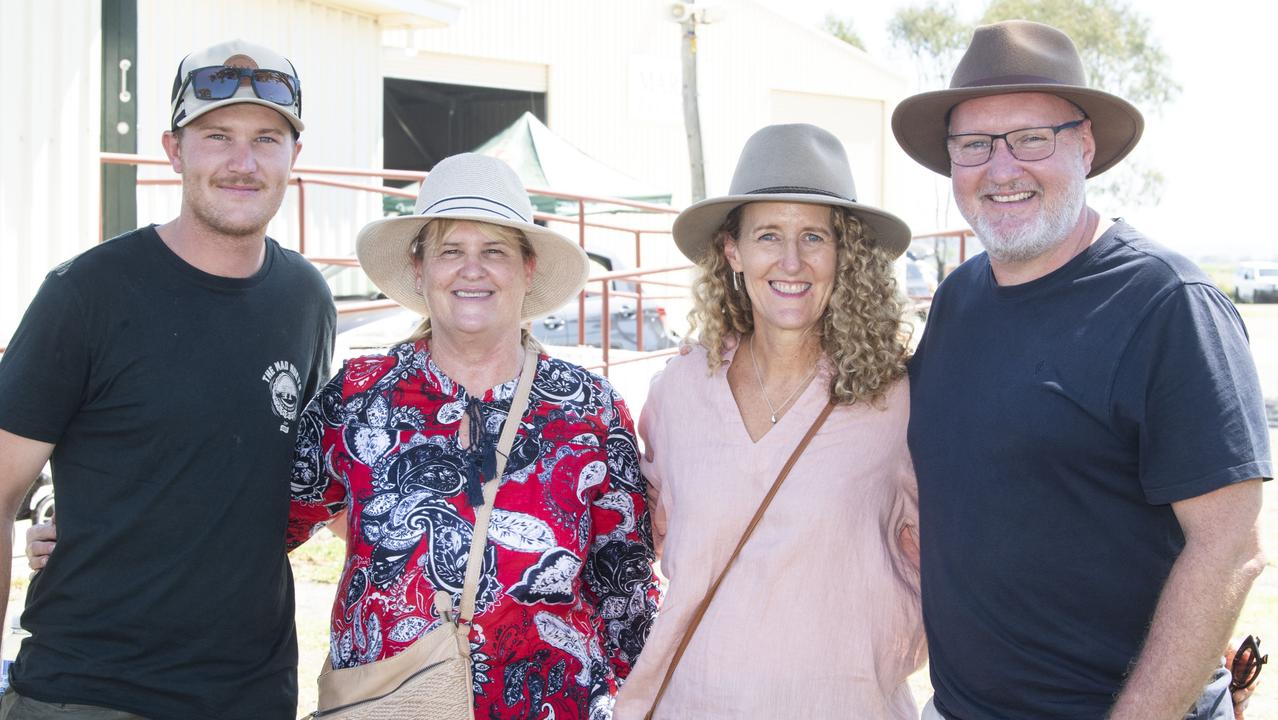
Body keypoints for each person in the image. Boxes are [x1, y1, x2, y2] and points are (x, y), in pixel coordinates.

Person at [893, 20, 1270, 720]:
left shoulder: (1169, 306)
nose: (1001, 168)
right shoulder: (956, 301)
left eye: (1032, 138)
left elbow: (1230, 546)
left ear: (1086, 146)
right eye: (974, 145)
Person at [0, 39, 334, 719]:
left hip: (252, 693)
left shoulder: (306, 298)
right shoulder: (86, 292)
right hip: (87, 694)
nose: (243, 162)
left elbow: (300, 483)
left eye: (267, 138)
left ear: (293, 156)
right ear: (174, 150)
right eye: (216, 137)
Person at [286, 152, 661, 719]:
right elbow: (267, 527)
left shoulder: (590, 410)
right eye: (451, 251)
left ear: (527, 269)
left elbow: (625, 593)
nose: (472, 269)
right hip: (390, 705)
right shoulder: (359, 398)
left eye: (494, 251)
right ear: (420, 268)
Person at [613, 123, 925, 719]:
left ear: (845, 254)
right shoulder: (679, 393)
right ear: (733, 250)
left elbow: (958, 560)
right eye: (768, 236)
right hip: (695, 705)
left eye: (814, 236)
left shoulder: (898, 402)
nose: (791, 261)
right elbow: (632, 544)